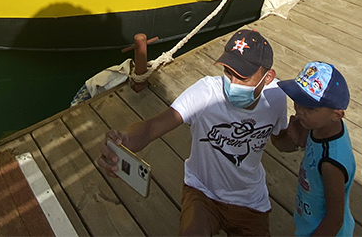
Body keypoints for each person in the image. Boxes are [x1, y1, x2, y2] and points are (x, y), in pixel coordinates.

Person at [96, 29, 293, 236]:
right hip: (202, 192)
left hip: (250, 199)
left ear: (268, 77)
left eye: (243, 77)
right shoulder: (205, 93)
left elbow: (280, 141)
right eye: (228, 72)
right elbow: (151, 128)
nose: (232, 83)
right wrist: (124, 140)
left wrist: (298, 138)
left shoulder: (277, 98)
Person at [276, 62, 356, 237]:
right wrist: (295, 139)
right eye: (298, 101)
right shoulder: (317, 125)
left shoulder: (331, 162)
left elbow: (335, 219)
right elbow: (285, 146)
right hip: (307, 224)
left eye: (310, 108)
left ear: (336, 114)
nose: (300, 112)